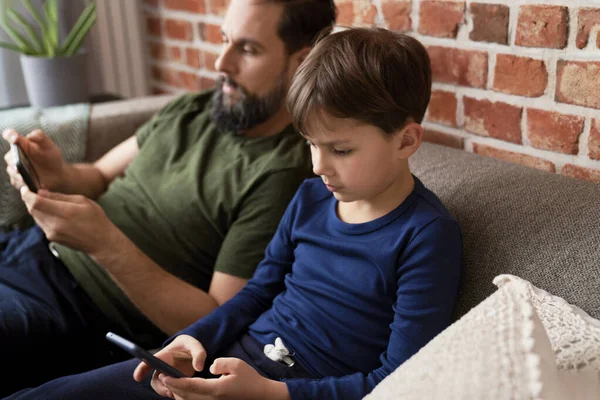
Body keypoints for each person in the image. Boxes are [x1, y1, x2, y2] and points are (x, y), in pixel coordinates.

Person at [5, 27, 464, 400]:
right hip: (230, 362)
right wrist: (193, 340)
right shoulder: (310, 198)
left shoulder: (426, 236)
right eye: (311, 144)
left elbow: (400, 381)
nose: (318, 165)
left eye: (340, 149)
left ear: (406, 141)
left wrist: (270, 393)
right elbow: (256, 293)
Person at [0, 0, 337, 396]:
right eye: (225, 40)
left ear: (301, 62)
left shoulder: (283, 175)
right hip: (23, 251)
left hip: (79, 307)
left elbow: (217, 316)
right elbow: (97, 176)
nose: (221, 63)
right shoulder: (192, 109)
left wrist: (105, 244)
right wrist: (57, 172)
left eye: (247, 49)